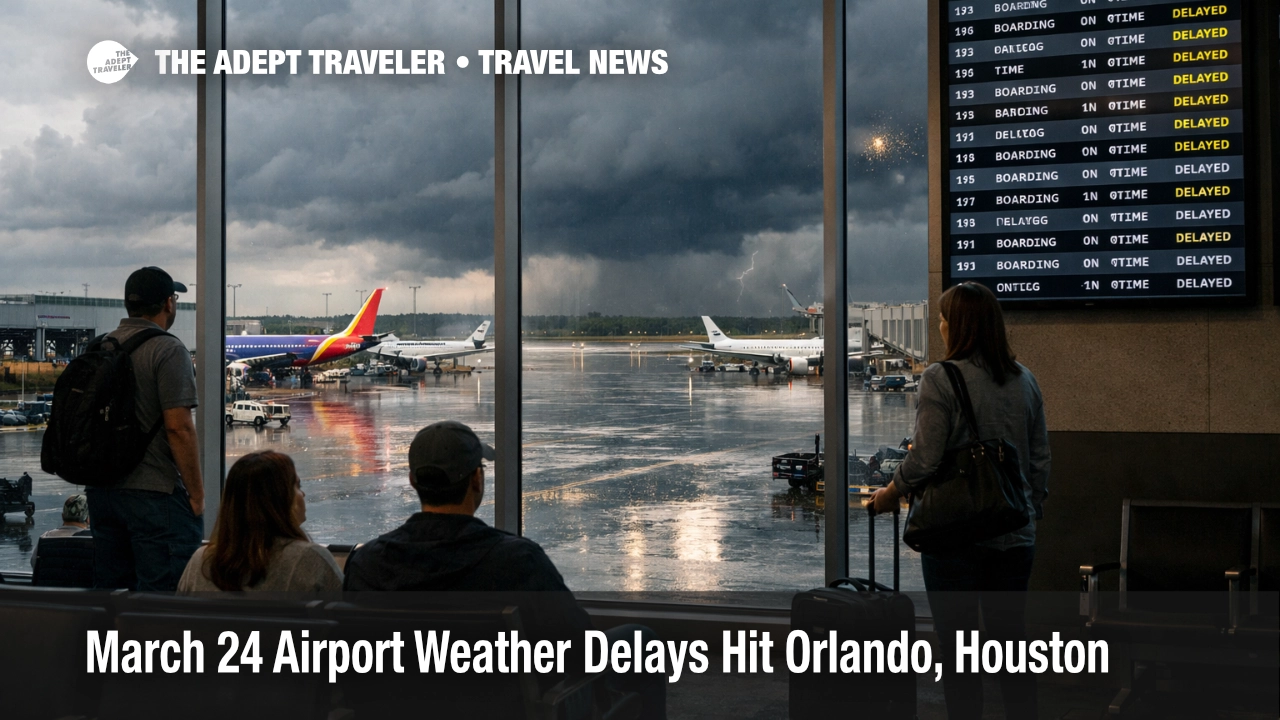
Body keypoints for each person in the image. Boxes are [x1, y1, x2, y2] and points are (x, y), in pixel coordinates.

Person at [345, 420, 666, 719]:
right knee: (643, 642)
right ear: (476, 479)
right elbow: (577, 646)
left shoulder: (366, 564)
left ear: (414, 480)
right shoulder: (516, 561)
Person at [866, 281, 1049, 720]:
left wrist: (890, 493)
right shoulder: (1026, 380)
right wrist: (1027, 512)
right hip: (1015, 534)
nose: (941, 328)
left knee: (959, 650)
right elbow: (1040, 460)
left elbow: (925, 457)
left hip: (955, 538)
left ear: (959, 327)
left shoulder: (940, 377)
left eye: (944, 320)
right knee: (1012, 646)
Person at [86, 266, 204, 591]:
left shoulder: (99, 347)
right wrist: (196, 496)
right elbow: (179, 428)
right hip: (155, 497)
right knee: (161, 607)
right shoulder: (168, 349)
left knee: (111, 600)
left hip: (102, 493)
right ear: (169, 303)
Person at [178, 451, 341, 593]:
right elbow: (351, 620)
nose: (303, 494)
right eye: (297, 486)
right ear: (279, 499)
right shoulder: (309, 560)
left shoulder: (200, 563)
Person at [30, 494, 92, 570]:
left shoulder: (46, 537)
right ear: (88, 519)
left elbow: (34, 563)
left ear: (63, 516)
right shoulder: (91, 541)